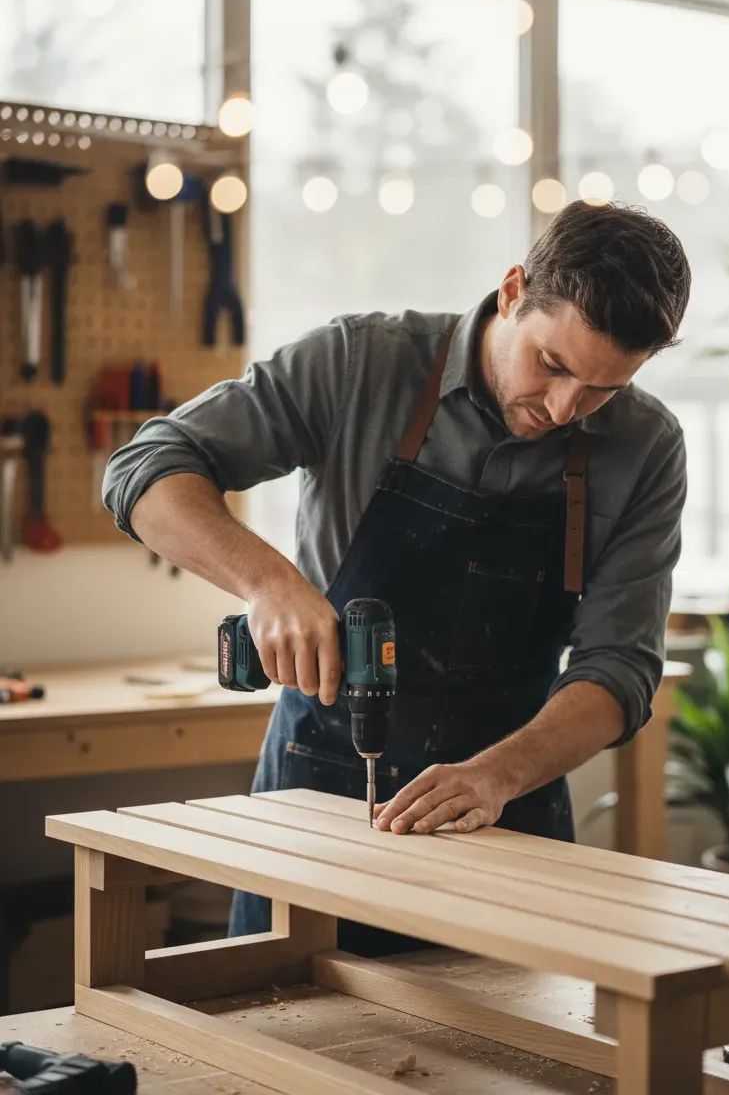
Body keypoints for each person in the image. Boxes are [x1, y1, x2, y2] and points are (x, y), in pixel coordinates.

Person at [103, 199, 690, 952]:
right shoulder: (359, 364)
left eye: (603, 390)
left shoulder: (646, 448)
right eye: (552, 365)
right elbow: (145, 467)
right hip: (316, 796)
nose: (565, 407)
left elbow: (621, 670)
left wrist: (497, 776)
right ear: (513, 291)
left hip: (504, 819)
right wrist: (269, 583)